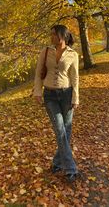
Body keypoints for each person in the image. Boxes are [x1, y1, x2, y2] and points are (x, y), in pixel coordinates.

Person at [33, 24, 79, 182]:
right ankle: (70, 167)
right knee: (60, 129)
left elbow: (75, 78)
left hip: (67, 94)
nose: (51, 37)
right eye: (50, 34)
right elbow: (39, 72)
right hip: (50, 96)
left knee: (67, 130)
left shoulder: (73, 54)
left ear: (63, 36)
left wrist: (75, 97)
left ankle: (57, 163)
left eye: (54, 34)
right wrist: (37, 91)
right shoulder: (45, 51)